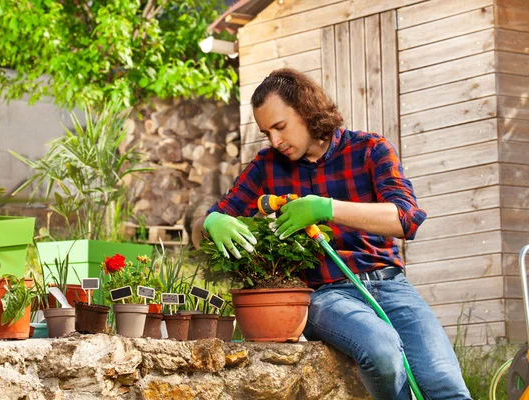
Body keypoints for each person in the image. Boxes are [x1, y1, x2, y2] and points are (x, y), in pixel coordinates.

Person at [192, 68, 471, 399]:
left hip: (390, 284)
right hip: (324, 295)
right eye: (267, 133)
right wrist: (211, 222)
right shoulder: (267, 166)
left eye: (280, 127)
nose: (275, 141)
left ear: (307, 111)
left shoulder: (369, 150)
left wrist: (328, 208)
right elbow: (205, 222)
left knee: (443, 382)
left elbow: (406, 218)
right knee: (381, 351)